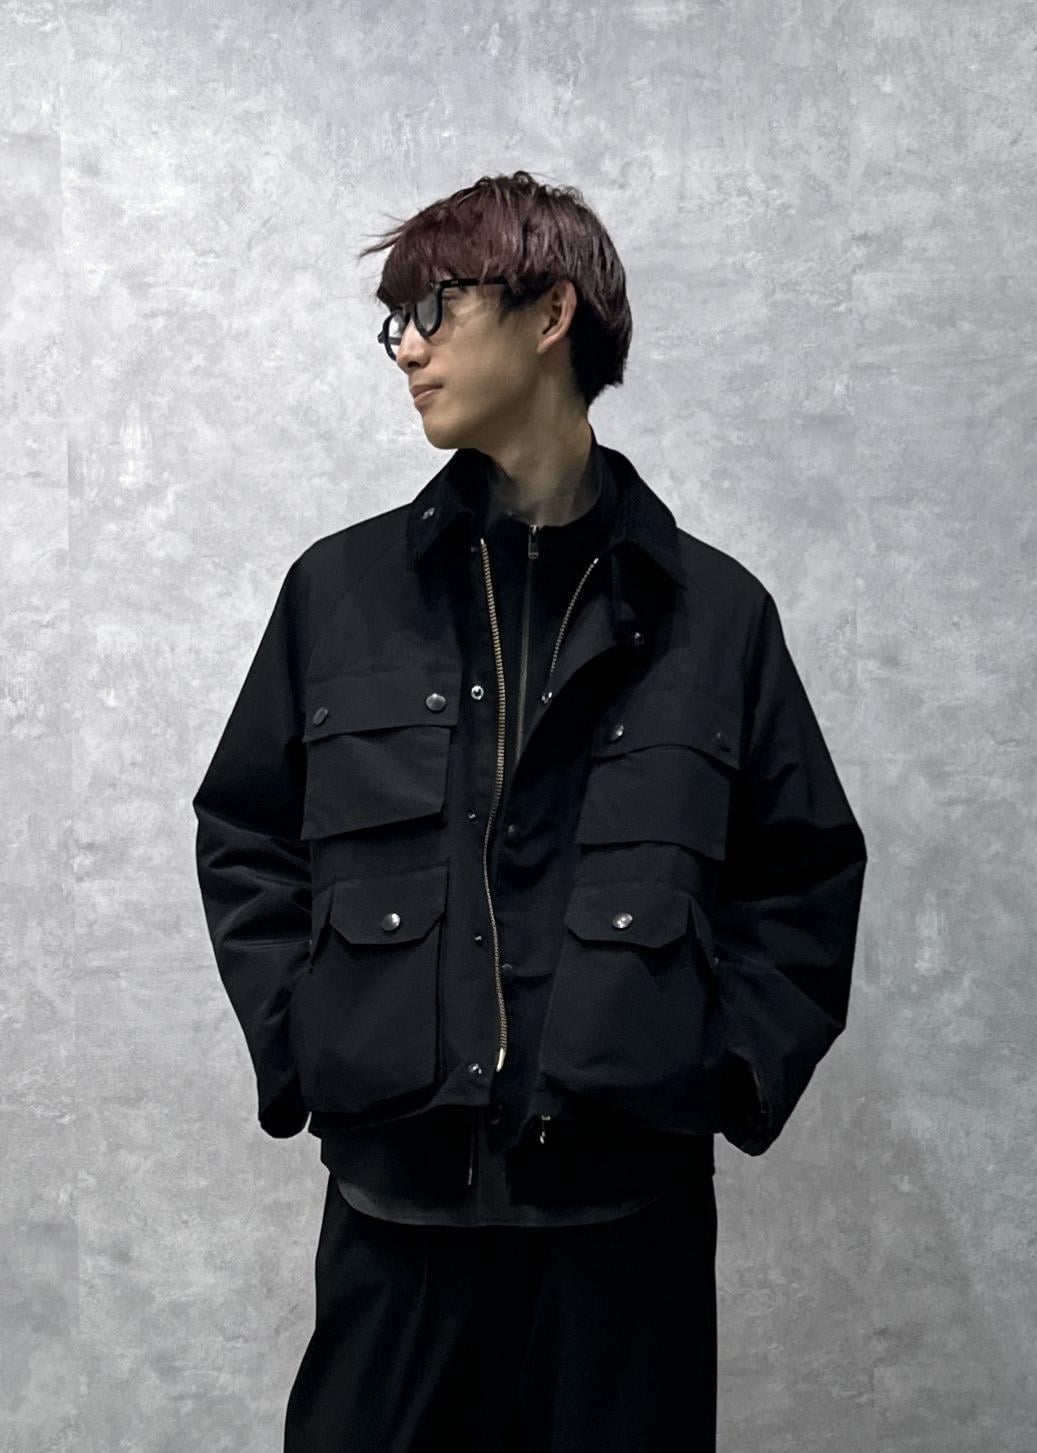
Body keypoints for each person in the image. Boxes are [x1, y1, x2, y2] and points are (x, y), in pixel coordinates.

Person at [191, 170, 867, 1453]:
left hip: (623, 1246)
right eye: (394, 320)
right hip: (395, 1227)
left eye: (433, 307)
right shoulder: (337, 595)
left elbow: (802, 875)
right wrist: (307, 1038)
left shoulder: (715, 618)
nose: (405, 347)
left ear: (549, 314)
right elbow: (247, 835)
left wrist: (712, 1067)